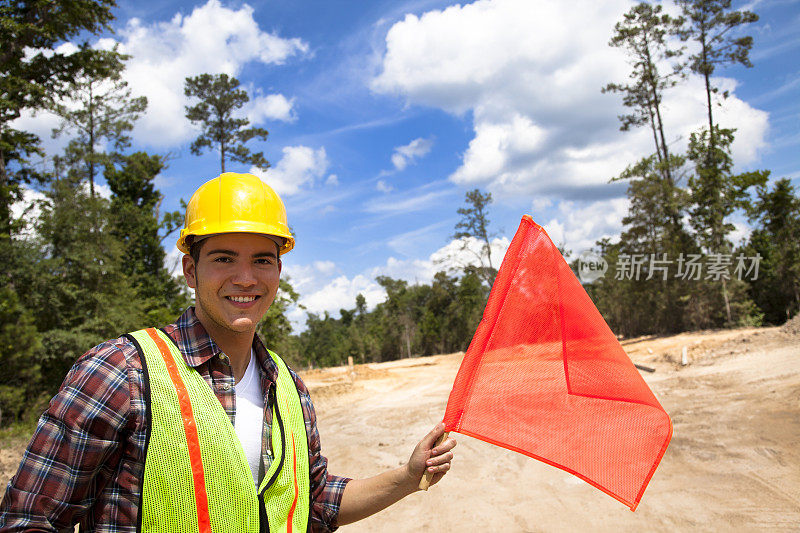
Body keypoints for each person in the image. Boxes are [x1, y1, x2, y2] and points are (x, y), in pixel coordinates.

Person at [0, 172, 456, 532]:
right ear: (190, 269)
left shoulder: (288, 386)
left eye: (262, 259)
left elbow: (313, 505)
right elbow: (31, 520)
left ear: (279, 270)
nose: (245, 277)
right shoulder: (120, 372)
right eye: (223, 258)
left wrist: (406, 475)